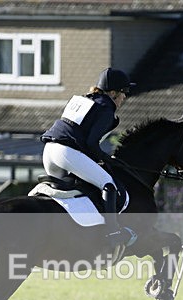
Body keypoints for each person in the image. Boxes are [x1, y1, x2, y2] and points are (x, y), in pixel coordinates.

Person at [41, 67, 136, 247]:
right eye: (123, 92)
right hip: (66, 153)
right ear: (113, 93)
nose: (125, 97)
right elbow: (92, 144)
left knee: (71, 193)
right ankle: (113, 233)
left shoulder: (85, 100)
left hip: (49, 152)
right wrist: (107, 159)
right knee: (108, 184)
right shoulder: (106, 108)